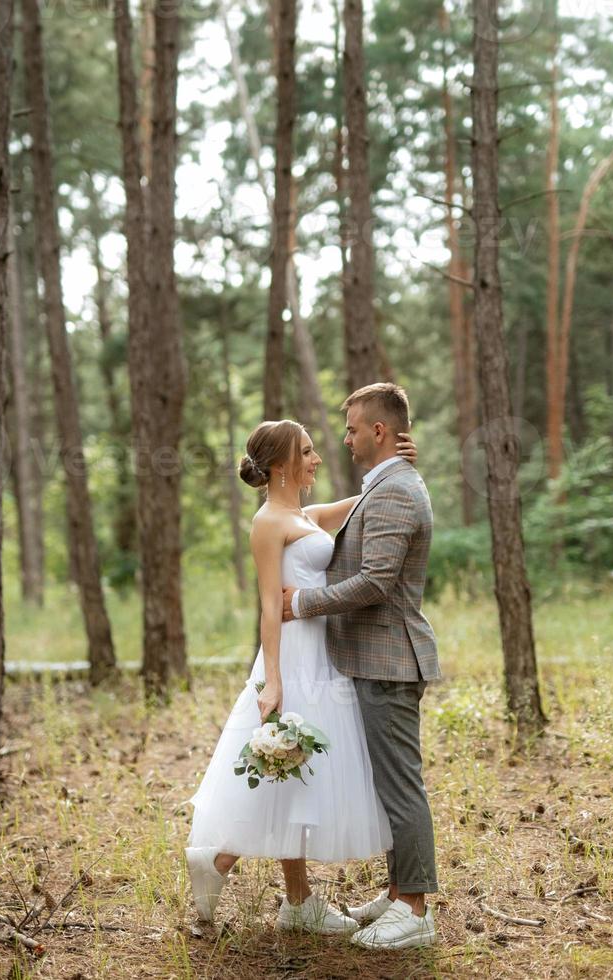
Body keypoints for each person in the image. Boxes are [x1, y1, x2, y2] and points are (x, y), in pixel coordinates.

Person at [184, 415, 417, 936]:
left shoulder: (305, 514)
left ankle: (297, 900)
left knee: (298, 772)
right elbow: (269, 606)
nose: (316, 459)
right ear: (283, 463)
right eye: (307, 452)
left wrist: (397, 465)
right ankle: (219, 860)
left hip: (323, 652)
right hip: (293, 657)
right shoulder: (269, 521)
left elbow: (364, 501)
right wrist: (274, 678)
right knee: (284, 768)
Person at [282, 383, 440, 950]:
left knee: (400, 786)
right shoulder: (387, 484)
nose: (344, 439)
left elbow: (377, 581)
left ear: (378, 431)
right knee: (389, 782)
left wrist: (301, 602)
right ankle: (400, 889)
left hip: (390, 659)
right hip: (376, 658)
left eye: (351, 429)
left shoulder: (395, 489)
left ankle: (415, 908)